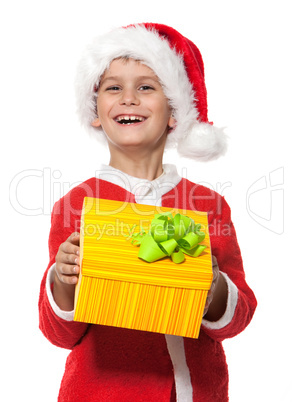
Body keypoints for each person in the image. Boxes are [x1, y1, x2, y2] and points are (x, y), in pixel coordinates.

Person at [38, 23, 257, 401]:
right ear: (96, 111)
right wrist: (63, 278)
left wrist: (212, 288)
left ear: (175, 112)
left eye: (146, 87)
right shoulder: (75, 206)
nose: (129, 98)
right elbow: (60, 334)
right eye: (113, 87)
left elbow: (237, 318)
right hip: (101, 391)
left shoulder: (209, 205)